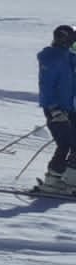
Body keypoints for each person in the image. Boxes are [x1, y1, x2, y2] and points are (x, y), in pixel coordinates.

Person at [38, 25, 76, 194]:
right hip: (57, 109)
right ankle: (54, 181)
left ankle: (66, 179)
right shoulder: (52, 58)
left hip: (69, 108)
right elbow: (46, 87)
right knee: (65, 143)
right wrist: (54, 109)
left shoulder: (68, 57)